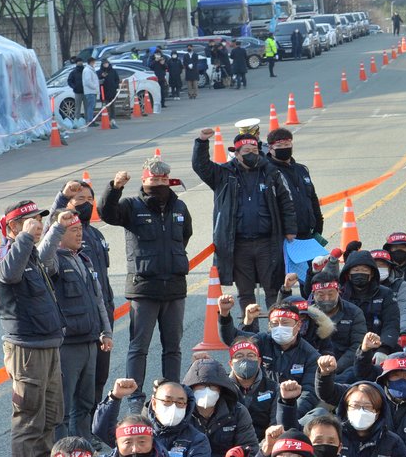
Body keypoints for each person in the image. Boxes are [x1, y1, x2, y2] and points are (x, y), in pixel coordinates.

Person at [0, 202, 74, 457]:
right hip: (26, 348)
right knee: (29, 415)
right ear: (13, 227)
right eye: (30, 221)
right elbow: (8, 274)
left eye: (38, 219)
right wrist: (26, 237)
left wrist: (58, 226)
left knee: (52, 412)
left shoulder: (30, 253)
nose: (37, 224)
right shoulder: (8, 253)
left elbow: (46, 254)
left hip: (48, 343)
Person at [100, 161, 193, 391]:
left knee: (173, 347)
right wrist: (115, 187)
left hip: (174, 288)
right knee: (139, 347)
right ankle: (134, 396)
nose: (159, 183)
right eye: (154, 179)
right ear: (144, 181)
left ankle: (172, 392)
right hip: (144, 288)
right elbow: (107, 213)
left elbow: (185, 235)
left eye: (163, 179)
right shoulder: (131, 206)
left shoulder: (179, 207)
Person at [191, 127, 298, 314]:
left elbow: (286, 202)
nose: (252, 154)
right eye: (247, 151)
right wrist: (201, 142)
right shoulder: (223, 174)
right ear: (237, 153)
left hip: (267, 242)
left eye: (255, 150)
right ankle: (250, 327)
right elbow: (201, 166)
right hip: (238, 244)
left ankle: (277, 324)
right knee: (245, 292)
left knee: (273, 288)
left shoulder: (270, 172)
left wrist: (290, 229)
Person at [54, 208, 113, 439]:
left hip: (90, 341)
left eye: (80, 229)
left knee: (86, 402)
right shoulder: (52, 261)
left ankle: (84, 445)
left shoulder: (84, 259)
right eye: (73, 230)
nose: (79, 234)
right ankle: (64, 450)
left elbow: (98, 300)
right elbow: (45, 251)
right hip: (68, 345)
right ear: (59, 233)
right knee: (64, 405)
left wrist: (106, 331)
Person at [266, 128, 325, 244]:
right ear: (270, 148)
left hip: (308, 232)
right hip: (284, 236)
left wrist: (319, 222)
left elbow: (312, 197)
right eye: (279, 146)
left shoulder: (301, 169)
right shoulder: (268, 172)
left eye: (287, 144)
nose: (284, 148)